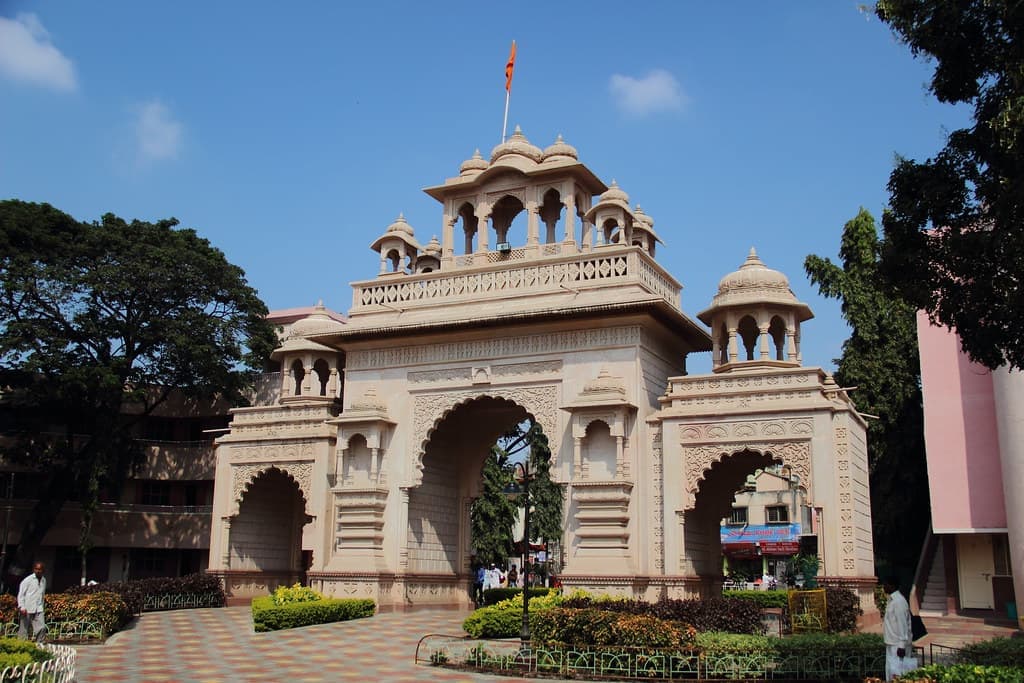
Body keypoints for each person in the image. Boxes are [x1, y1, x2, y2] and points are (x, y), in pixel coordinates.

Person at [882, 580, 913, 682]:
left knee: (899, 673)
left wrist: (902, 645)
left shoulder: (899, 601)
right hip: (892, 642)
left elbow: (902, 623)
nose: (884, 587)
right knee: (891, 672)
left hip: (898, 645)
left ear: (892, 586)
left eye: (885, 584)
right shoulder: (892, 600)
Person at [17, 562, 46, 642]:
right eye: (36, 569)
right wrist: (21, 606)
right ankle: (21, 647)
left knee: (42, 628)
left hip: (39, 608)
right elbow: (21, 594)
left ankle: (39, 645)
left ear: (43, 570)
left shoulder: (44, 580)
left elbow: (42, 595)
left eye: (40, 569)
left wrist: (42, 606)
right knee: (24, 630)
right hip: (26, 609)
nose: (38, 571)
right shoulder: (27, 580)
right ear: (33, 570)